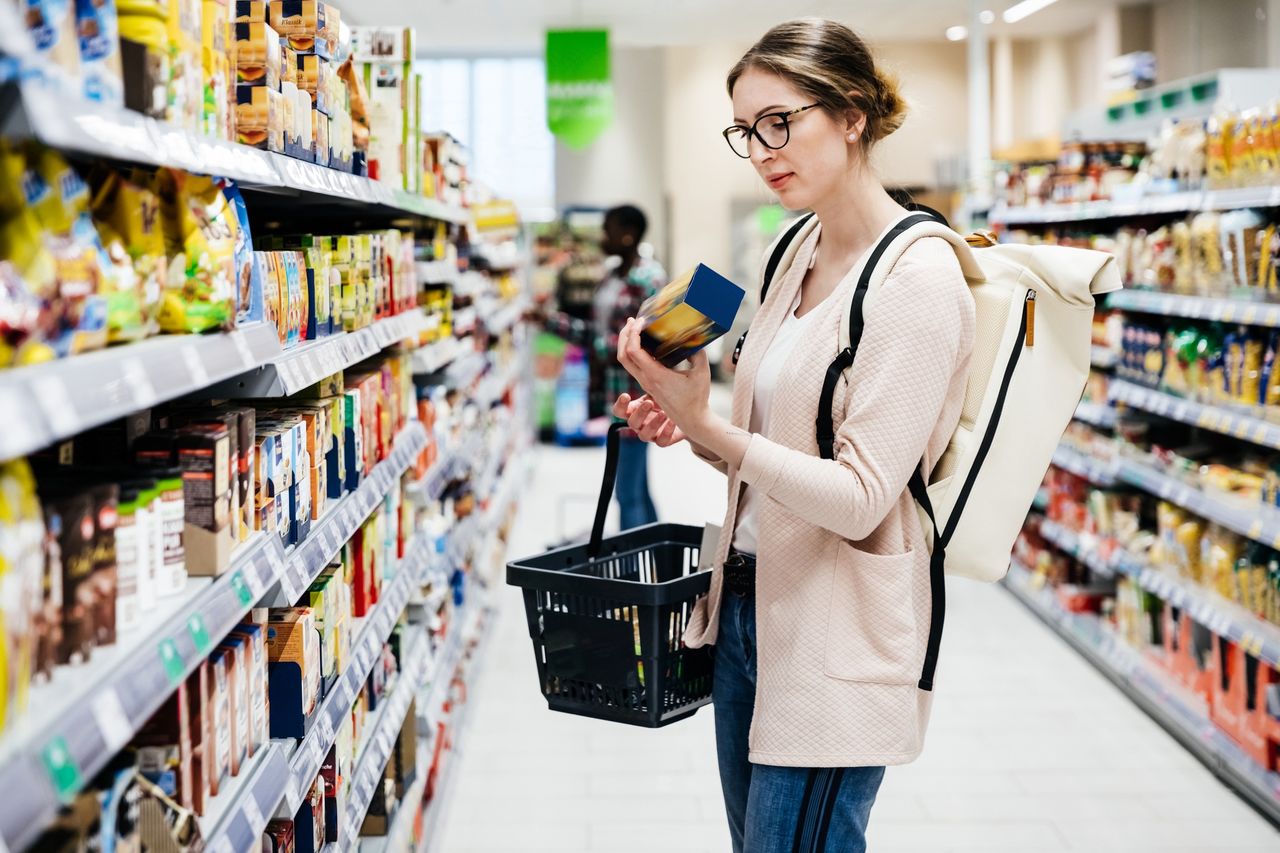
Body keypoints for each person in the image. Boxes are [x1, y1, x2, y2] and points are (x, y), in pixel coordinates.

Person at [612, 19, 975, 853]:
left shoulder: (917, 279)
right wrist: (691, 425)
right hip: (744, 603)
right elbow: (767, 446)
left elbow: (858, 497)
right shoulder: (791, 248)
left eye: (782, 122)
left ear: (852, 114)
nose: (763, 150)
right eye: (747, 131)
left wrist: (714, 427)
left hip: (836, 629)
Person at [545, 204, 667, 529]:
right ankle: (656, 557)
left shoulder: (649, 278)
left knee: (627, 492)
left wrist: (601, 347)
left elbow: (650, 340)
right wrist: (548, 321)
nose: (601, 237)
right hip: (615, 395)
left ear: (627, 235)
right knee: (636, 487)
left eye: (608, 229)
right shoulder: (613, 277)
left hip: (638, 396)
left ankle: (634, 571)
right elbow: (596, 335)